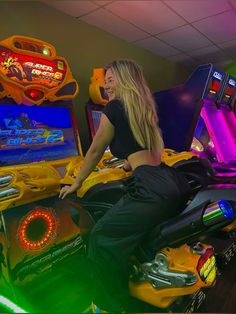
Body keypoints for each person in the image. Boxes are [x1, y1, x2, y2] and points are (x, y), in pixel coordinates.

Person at [59, 60, 190, 313]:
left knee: (101, 237)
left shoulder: (116, 107)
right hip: (168, 179)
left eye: (111, 80)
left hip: (151, 187)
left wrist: (76, 182)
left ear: (125, 79)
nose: (106, 85)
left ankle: (108, 306)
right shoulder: (143, 108)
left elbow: (96, 149)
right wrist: (129, 166)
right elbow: (149, 151)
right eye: (105, 81)